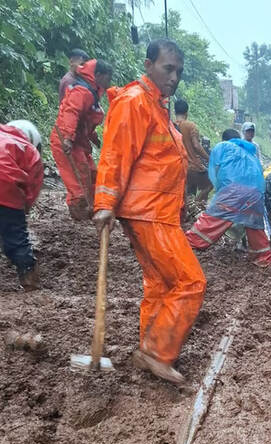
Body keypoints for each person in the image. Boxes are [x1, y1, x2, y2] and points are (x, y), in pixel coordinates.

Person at [93, 39, 206, 386]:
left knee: (160, 282)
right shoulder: (134, 102)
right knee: (191, 282)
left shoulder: (156, 106)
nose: (174, 77)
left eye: (178, 72)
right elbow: (115, 154)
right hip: (149, 211)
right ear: (148, 64)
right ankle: (157, 351)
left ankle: (149, 347)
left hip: (157, 210)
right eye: (168, 68)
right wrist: (105, 203)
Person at [185, 128, 271, 268]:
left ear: (224, 139)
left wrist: (219, 193)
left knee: (213, 218)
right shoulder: (251, 153)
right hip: (256, 194)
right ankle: (263, 258)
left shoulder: (223, 146)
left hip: (233, 190)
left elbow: (215, 172)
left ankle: (189, 243)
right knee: (254, 226)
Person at [51, 59, 112, 220]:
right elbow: (71, 113)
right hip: (67, 141)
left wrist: (93, 137)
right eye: (108, 78)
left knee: (92, 174)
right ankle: (79, 211)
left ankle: (91, 207)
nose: (109, 83)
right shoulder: (82, 91)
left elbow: (85, 120)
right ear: (99, 75)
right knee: (78, 179)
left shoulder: (91, 92)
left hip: (78, 141)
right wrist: (68, 138)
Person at [0, 120, 43, 290]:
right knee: (16, 236)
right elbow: (33, 187)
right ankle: (29, 277)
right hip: (6, 189)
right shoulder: (30, 150)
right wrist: (22, 211)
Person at [173, 98, 212, 203]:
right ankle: (197, 204)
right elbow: (196, 145)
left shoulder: (170, 126)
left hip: (176, 167)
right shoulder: (190, 126)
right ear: (187, 112)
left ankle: (190, 204)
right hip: (192, 166)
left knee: (189, 191)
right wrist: (209, 158)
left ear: (175, 112)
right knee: (211, 181)